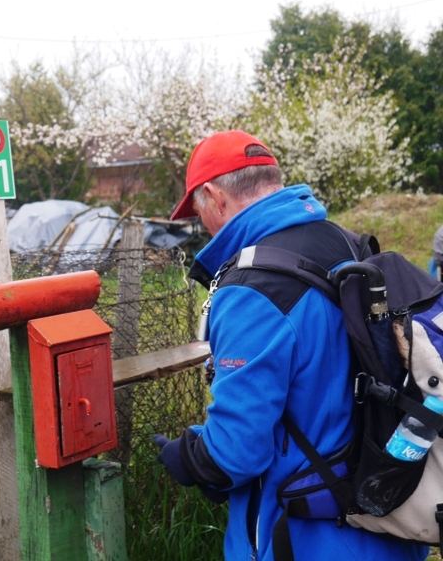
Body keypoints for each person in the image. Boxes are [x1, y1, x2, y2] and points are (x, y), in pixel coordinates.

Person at [153, 130, 428, 561]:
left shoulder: (251, 290)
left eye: (198, 210)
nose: (202, 224)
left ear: (215, 197)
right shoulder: (346, 242)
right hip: (385, 516)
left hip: (304, 538)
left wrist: (186, 457)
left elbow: (235, 455)